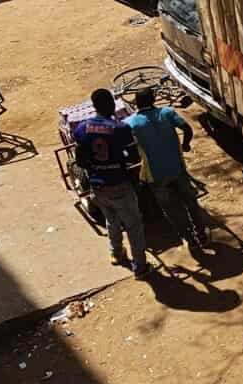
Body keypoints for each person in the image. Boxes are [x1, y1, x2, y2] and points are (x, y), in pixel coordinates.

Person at [72, 88, 150, 278]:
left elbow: (80, 161)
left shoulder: (82, 129)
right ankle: (140, 266)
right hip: (120, 184)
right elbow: (132, 156)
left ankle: (116, 253)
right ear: (112, 105)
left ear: (94, 106)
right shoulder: (120, 128)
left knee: (111, 220)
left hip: (98, 186)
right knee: (133, 226)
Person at [125, 88, 207, 255]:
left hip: (155, 176)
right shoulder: (167, 112)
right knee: (190, 202)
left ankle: (190, 240)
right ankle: (202, 235)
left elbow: (127, 146)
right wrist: (186, 145)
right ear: (154, 99)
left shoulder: (131, 123)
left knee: (172, 210)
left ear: (136, 103)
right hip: (178, 169)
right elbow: (187, 128)